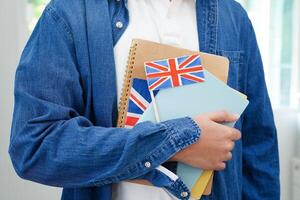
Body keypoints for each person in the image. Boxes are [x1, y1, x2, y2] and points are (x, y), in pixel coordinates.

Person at [9, 0, 280, 199]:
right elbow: (35, 146)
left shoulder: (233, 18)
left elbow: (258, 151)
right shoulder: (70, 13)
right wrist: (174, 144)